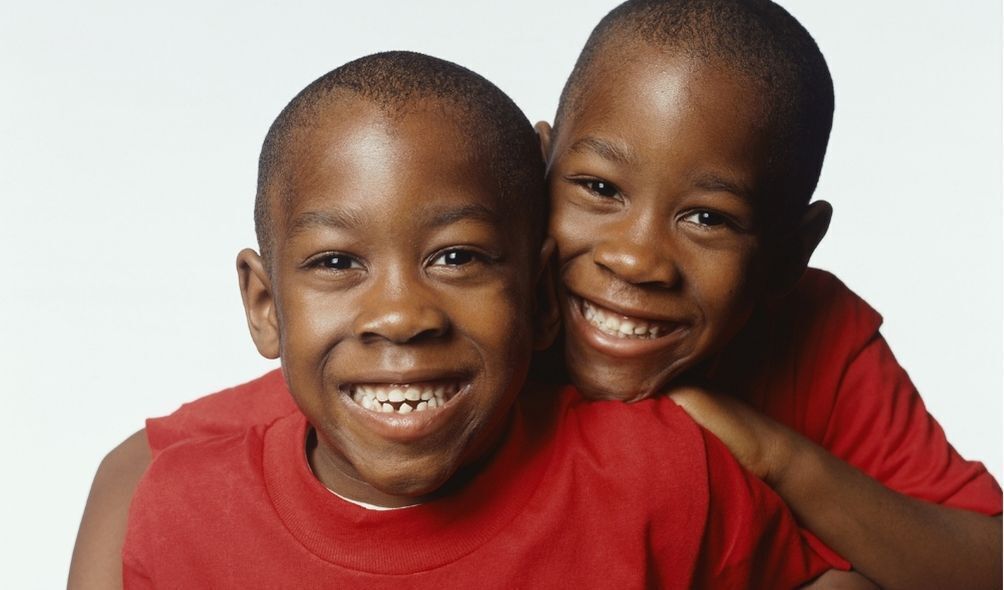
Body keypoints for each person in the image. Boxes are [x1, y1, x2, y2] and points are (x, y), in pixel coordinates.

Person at [70, 2, 1001, 588]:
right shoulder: (438, 332)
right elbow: (236, 438)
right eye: (598, 189)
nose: (635, 258)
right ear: (541, 168)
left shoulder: (789, 360)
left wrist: (770, 454)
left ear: (790, 250)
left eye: (710, 219)